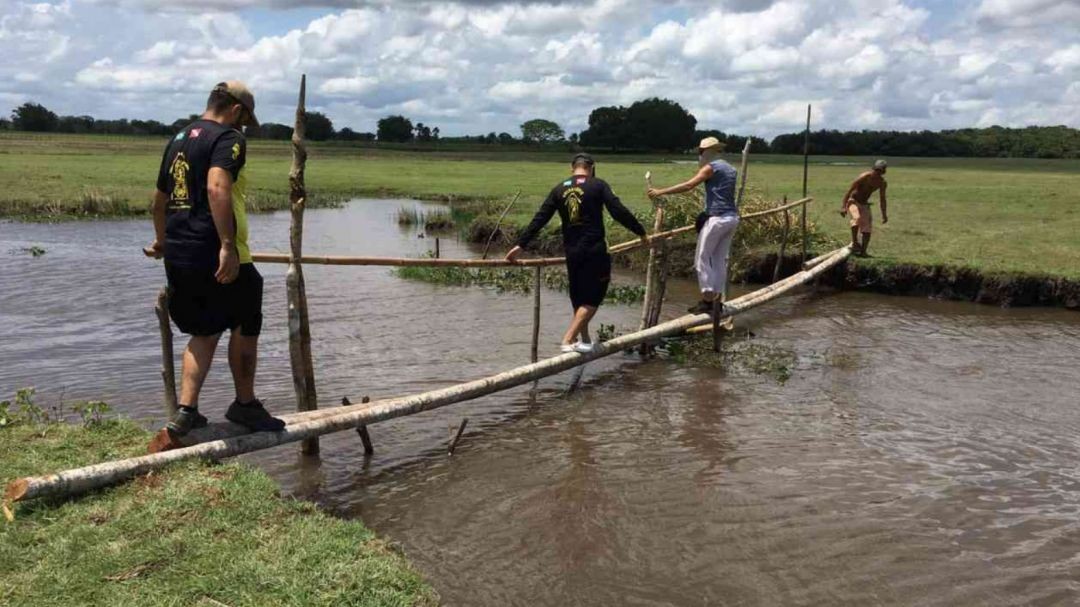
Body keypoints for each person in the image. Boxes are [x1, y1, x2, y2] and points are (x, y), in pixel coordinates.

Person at [145, 81, 285, 436]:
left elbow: (160, 198)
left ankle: (186, 411)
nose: (243, 129)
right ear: (237, 110)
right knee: (246, 319)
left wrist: (162, 240)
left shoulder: (178, 139)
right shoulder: (229, 139)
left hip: (180, 251)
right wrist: (227, 245)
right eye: (244, 121)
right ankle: (245, 404)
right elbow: (217, 186)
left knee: (204, 329)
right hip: (216, 249)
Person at [505, 153, 648, 353]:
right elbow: (617, 210)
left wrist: (520, 245)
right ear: (592, 167)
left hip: (572, 251)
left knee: (579, 297)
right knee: (594, 298)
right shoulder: (598, 185)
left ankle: (585, 340)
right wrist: (640, 231)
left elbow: (541, 218)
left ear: (572, 168)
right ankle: (568, 339)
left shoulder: (559, 188)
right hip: (594, 250)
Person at [648, 136, 739, 316]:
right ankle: (717, 301)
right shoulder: (731, 168)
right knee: (720, 260)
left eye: (700, 152)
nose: (699, 155)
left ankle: (707, 300)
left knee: (702, 260)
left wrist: (660, 191)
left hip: (717, 219)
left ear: (706, 152)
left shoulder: (711, 167)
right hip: (732, 218)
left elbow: (689, 185)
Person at [840, 159, 889, 256]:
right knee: (856, 218)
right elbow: (850, 189)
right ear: (874, 169)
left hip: (864, 204)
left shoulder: (882, 183)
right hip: (853, 201)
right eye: (876, 171)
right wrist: (843, 206)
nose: (877, 173)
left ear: (883, 172)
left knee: (867, 228)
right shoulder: (865, 177)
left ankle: (863, 251)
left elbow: (882, 199)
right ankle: (854, 243)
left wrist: (884, 214)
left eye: (880, 171)